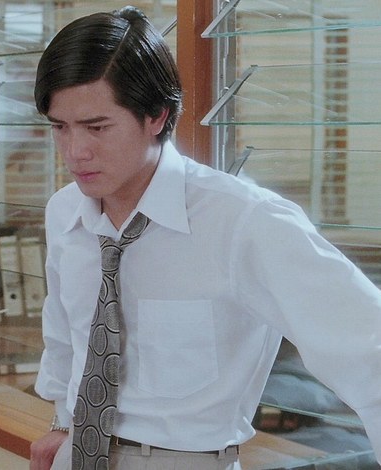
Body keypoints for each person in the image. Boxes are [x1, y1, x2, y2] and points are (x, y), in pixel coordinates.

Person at [28, 7, 381, 470]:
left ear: (157, 116)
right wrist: (61, 421)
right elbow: (64, 331)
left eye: (97, 127)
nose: (76, 151)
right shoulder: (64, 211)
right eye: (60, 127)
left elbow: (369, 351)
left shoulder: (245, 221)